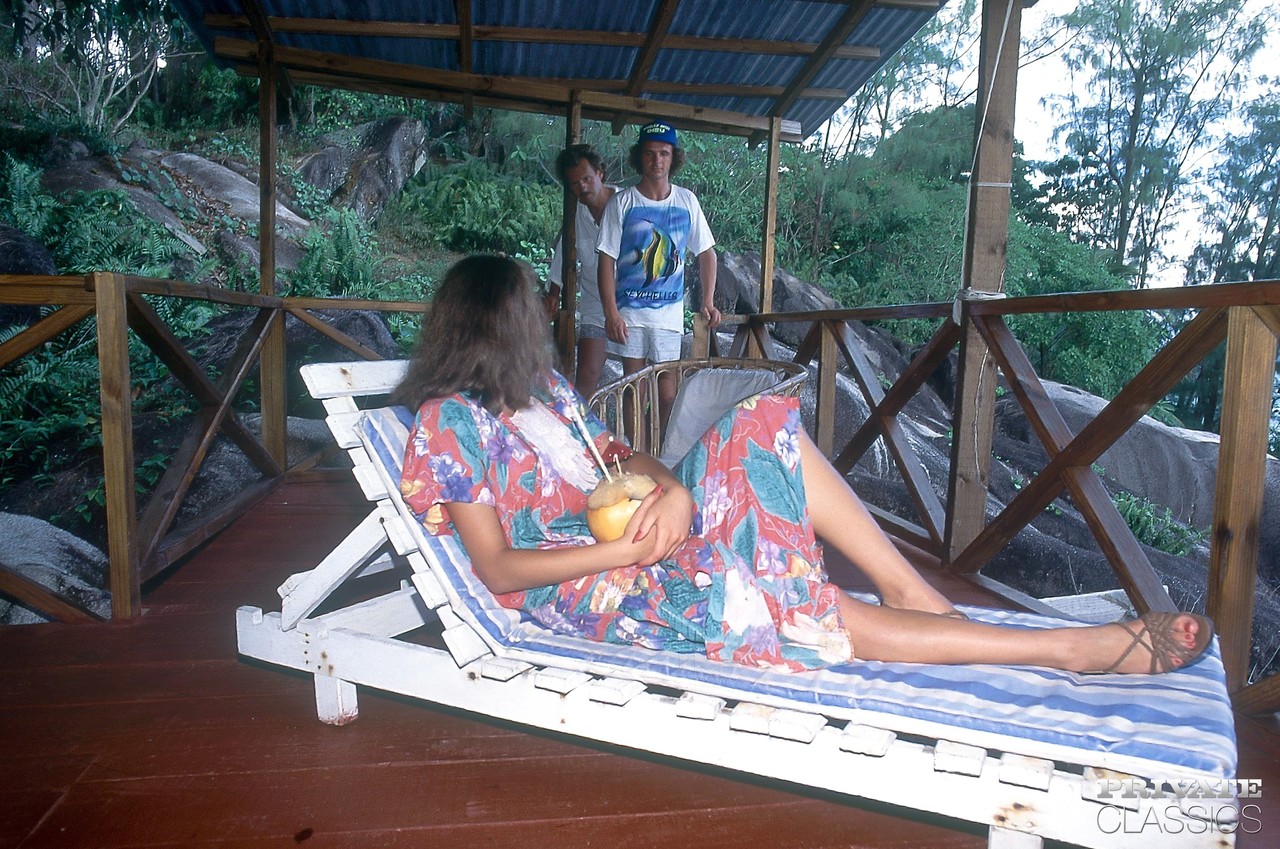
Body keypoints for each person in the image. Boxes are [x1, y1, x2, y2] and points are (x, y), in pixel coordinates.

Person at [394, 254, 1214, 675]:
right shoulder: (450, 424)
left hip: (645, 531)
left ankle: (907, 588)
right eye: (535, 308)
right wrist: (624, 553)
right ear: (505, 325)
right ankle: (1063, 650)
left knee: (763, 422)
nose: (549, 317)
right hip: (595, 584)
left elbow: (616, 455)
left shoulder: (542, 392)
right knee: (771, 592)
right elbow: (497, 567)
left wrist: (672, 492)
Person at [596, 121, 721, 432]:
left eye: (664, 153)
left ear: (673, 157)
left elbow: (707, 253)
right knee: (633, 391)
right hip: (631, 317)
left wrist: (708, 300)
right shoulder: (622, 202)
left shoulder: (686, 201)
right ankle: (635, 450)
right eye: (650, 153)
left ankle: (658, 448)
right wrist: (611, 313)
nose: (657, 161)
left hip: (668, 318)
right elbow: (606, 260)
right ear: (639, 157)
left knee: (668, 394)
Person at [545, 144, 617, 395]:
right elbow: (563, 253)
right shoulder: (576, 214)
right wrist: (553, 293)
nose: (582, 187)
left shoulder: (628, 204)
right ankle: (579, 420)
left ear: (600, 173)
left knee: (638, 377)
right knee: (586, 374)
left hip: (632, 303)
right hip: (596, 303)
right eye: (575, 184)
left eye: (586, 179)